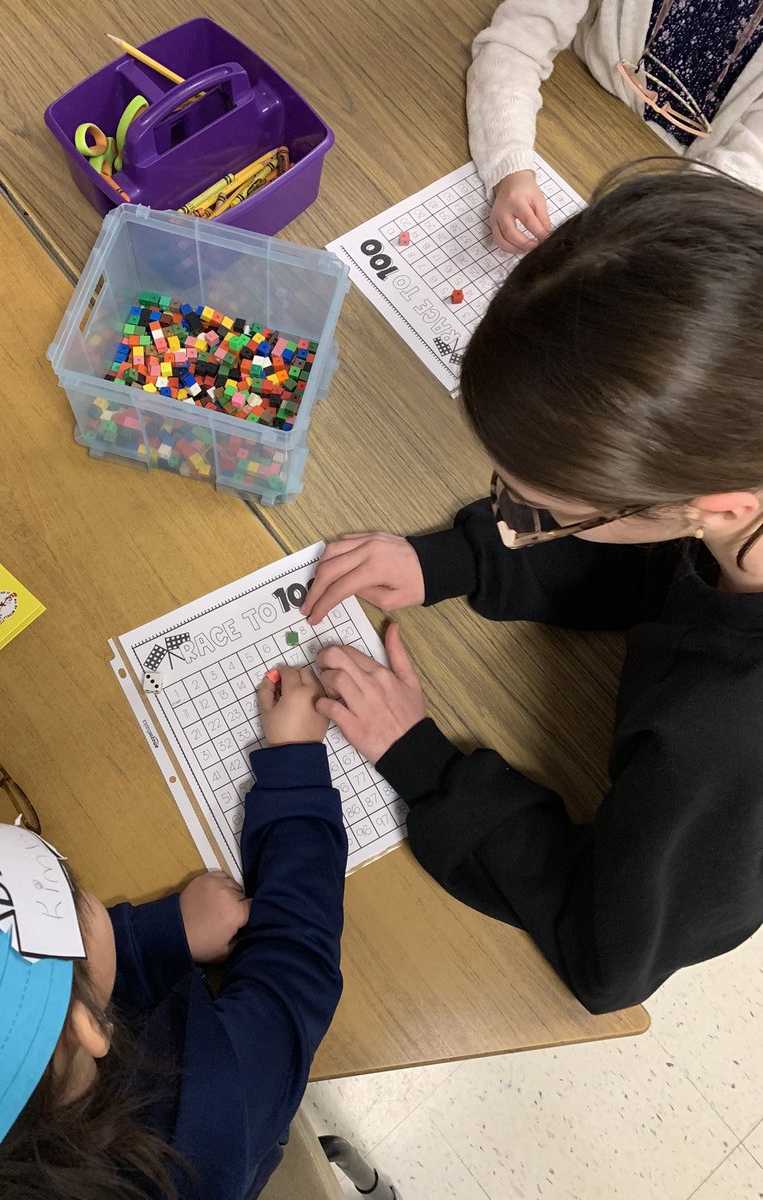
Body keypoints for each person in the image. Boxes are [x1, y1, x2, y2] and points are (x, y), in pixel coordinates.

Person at [301, 163, 763, 1016]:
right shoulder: (737, 463)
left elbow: (609, 957)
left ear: (718, 507)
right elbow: (655, 551)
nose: (516, 522)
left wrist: (423, 764)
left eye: (546, 514)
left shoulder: (725, 740)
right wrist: (460, 561)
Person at [0, 665, 344, 1200]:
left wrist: (164, 934)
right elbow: (294, 972)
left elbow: (39, 988)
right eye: (64, 895)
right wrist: (296, 766)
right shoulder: (203, 1118)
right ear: (88, 1026)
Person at [468, 0, 763, 252]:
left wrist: (666, 227)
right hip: (569, 113)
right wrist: (511, 168)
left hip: (679, 190)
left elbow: (749, 165)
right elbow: (515, 44)